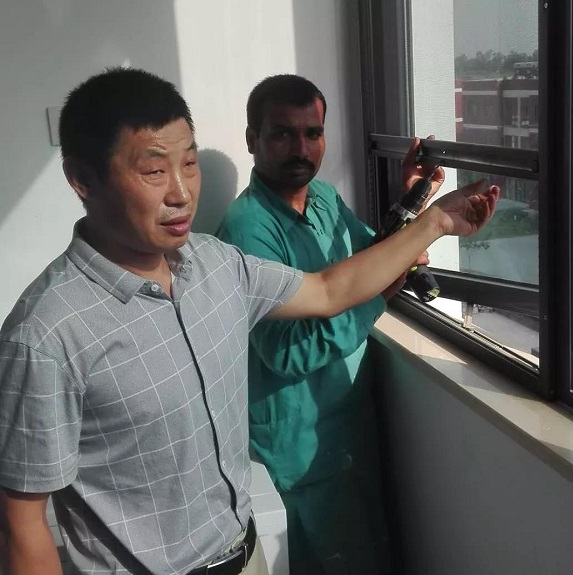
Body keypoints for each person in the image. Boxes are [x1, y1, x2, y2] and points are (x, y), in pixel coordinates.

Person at [0, 67, 499, 575]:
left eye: (189, 163)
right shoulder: (45, 336)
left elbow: (331, 289)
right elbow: (22, 525)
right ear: (82, 179)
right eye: (153, 171)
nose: (181, 193)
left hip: (245, 552)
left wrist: (435, 220)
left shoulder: (215, 266)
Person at [215, 74, 445, 575]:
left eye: (312, 133)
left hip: (349, 429)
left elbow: (371, 257)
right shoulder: (247, 229)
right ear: (253, 139)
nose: (301, 149)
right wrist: (381, 291)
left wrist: (413, 196)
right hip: (303, 453)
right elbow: (288, 351)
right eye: (283, 134)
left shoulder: (320, 196)